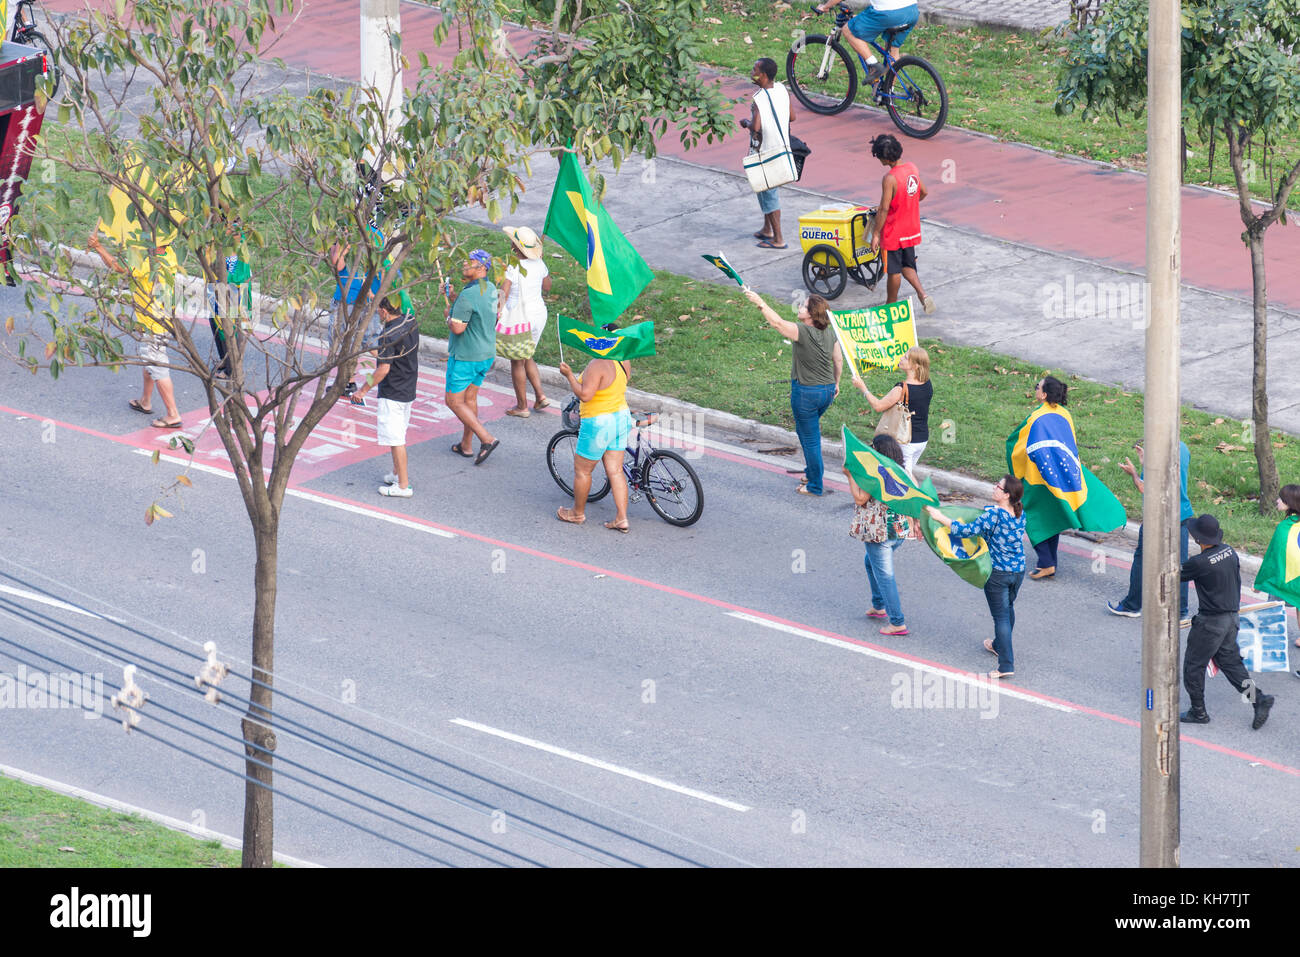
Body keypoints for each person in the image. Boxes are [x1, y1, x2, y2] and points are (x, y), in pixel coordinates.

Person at [87, 186, 184, 431]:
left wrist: (98, 246)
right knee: (150, 362)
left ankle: (173, 414)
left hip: (153, 322)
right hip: (164, 319)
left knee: (157, 366)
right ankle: (145, 400)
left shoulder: (146, 263)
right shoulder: (169, 254)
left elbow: (118, 267)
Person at [744, 287, 844, 496]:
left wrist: (760, 302)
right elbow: (838, 360)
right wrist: (836, 383)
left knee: (810, 439)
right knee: (805, 431)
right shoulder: (830, 332)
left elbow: (777, 323)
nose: (799, 307)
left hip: (806, 394)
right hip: (826, 392)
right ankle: (810, 472)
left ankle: (815, 485)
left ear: (811, 315)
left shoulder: (803, 331)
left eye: (804, 306)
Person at [1178, 514, 1275, 729]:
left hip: (1210, 624)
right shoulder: (1229, 551)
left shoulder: (1199, 562)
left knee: (1193, 667)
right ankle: (1258, 700)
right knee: (1231, 665)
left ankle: (1198, 711)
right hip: (1231, 619)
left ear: (1197, 539)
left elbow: (1174, 574)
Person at [926, 475, 1028, 679]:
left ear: (1006, 494)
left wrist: (939, 517)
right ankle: (999, 645)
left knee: (1001, 617)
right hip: (1018, 570)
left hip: (998, 573)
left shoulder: (993, 516)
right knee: (1008, 609)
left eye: (998, 486)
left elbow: (964, 531)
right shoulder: (1020, 512)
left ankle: (1006, 664)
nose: (994, 488)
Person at [1106, 440, 1193, 626]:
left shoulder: (1157, 449)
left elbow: (1145, 487)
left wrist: (1134, 473)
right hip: (1182, 513)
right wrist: (1146, 462)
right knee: (1180, 565)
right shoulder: (1182, 447)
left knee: (1142, 559)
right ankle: (1181, 611)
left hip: (1158, 516)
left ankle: (1132, 605)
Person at [556, 350, 633, 533]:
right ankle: (621, 518)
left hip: (599, 423)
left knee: (582, 471)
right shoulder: (624, 359)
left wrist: (569, 376)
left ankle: (577, 513)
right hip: (621, 418)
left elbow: (585, 395)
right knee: (615, 471)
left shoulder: (597, 364)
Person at [350, 297, 419, 497]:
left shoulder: (388, 334)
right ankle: (397, 475)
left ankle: (403, 486)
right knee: (398, 434)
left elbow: (383, 369)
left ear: (383, 311)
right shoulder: (410, 321)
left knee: (396, 439)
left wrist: (362, 390)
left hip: (393, 392)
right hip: (408, 387)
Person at [844, 434, 913, 636]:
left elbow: (860, 499)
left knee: (885, 576)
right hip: (898, 530)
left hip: (878, 533)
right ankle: (878, 605)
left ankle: (897, 622)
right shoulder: (901, 470)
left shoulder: (875, 473)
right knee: (870, 562)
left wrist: (849, 475)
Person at [867, 134, 935, 313]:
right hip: (911, 229)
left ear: (885, 158)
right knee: (908, 265)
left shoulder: (889, 178)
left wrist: (875, 234)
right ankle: (923, 295)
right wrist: (908, 204)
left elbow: (883, 209)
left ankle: (890, 305)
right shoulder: (912, 168)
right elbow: (924, 192)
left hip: (894, 232)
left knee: (894, 271)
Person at [445, 249, 501, 466]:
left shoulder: (467, 295)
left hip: (466, 356)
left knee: (453, 401)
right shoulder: (490, 288)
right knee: (469, 399)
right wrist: (454, 299)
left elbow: (458, 328)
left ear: (482, 268)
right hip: (485, 353)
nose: (464, 265)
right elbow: (476, 310)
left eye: (470, 262)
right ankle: (466, 445)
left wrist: (450, 316)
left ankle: (486, 439)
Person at [739, 57, 795, 250]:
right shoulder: (781, 89)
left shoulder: (759, 98)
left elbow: (756, 127)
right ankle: (767, 229)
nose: (752, 72)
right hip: (781, 146)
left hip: (765, 150)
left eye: (754, 69)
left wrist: (746, 122)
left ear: (762, 75)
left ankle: (778, 238)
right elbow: (792, 116)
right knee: (764, 188)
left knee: (769, 193)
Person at [497, 225, 553, 416]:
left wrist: (497, 312)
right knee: (527, 354)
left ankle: (522, 407)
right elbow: (547, 287)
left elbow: (503, 294)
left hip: (520, 318)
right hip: (539, 315)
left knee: (517, 361)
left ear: (516, 247)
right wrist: (542, 266)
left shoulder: (513, 266)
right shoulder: (539, 264)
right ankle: (540, 396)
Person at [850, 345, 932, 472]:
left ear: (915, 366)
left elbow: (878, 406)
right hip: (921, 440)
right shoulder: (927, 384)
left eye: (905, 358)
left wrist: (862, 388)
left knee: (903, 481)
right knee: (903, 477)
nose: (901, 358)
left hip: (905, 442)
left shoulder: (901, 389)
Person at [1023, 374, 1070, 580]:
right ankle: (1051, 561)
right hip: (1060, 476)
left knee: (1033, 517)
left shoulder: (1036, 417)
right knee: (1052, 517)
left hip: (1037, 477)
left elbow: (1022, 446)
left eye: (1037, 387)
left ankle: (1045, 562)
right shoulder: (1065, 414)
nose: (1035, 389)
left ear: (1043, 395)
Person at [814, 0, 919, 79]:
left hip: (888, 13)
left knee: (848, 30)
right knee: (893, 51)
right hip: (912, 10)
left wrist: (825, 6)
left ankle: (874, 66)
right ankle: (888, 92)